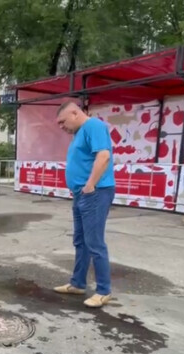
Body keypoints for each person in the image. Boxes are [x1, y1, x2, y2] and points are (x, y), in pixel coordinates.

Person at [52, 101, 116, 308]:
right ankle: (78, 283)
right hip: (82, 194)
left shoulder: (93, 126)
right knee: (81, 241)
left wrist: (90, 185)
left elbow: (104, 155)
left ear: (74, 112)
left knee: (95, 242)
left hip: (95, 193)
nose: (61, 127)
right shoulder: (79, 133)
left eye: (62, 122)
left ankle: (104, 291)